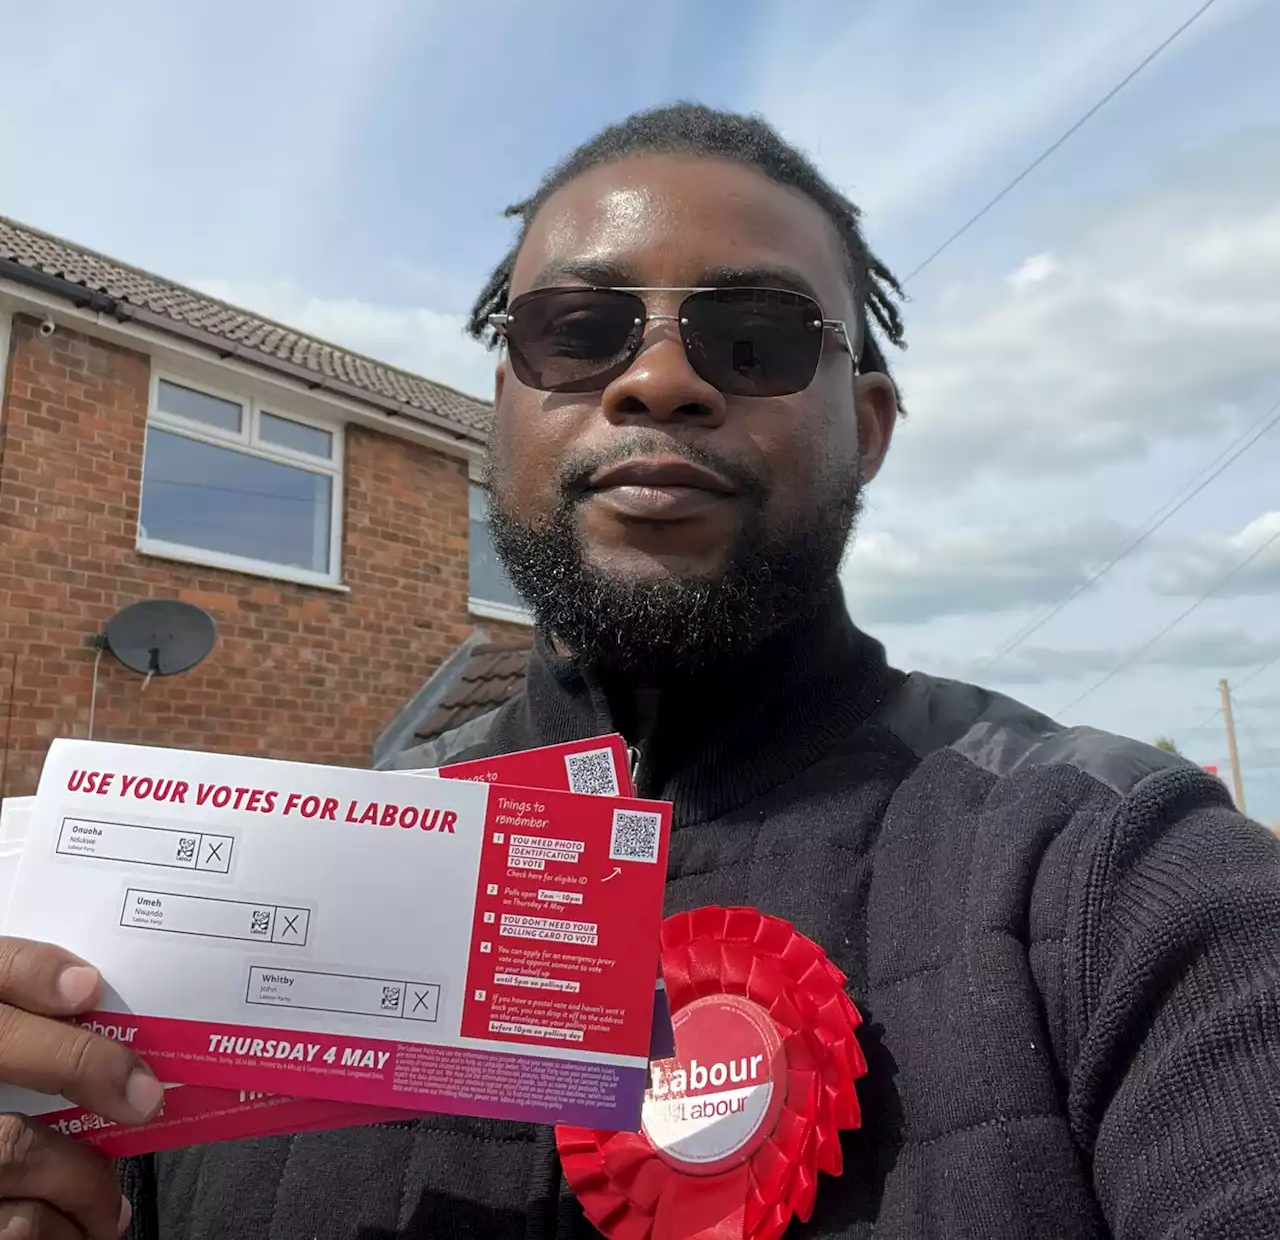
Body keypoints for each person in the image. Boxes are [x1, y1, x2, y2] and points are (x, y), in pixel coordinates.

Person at [1, 103, 1277, 1239]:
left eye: (759, 339)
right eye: (578, 329)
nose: (657, 379)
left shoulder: (1120, 876)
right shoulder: (232, 923)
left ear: (868, 426)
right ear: (501, 402)